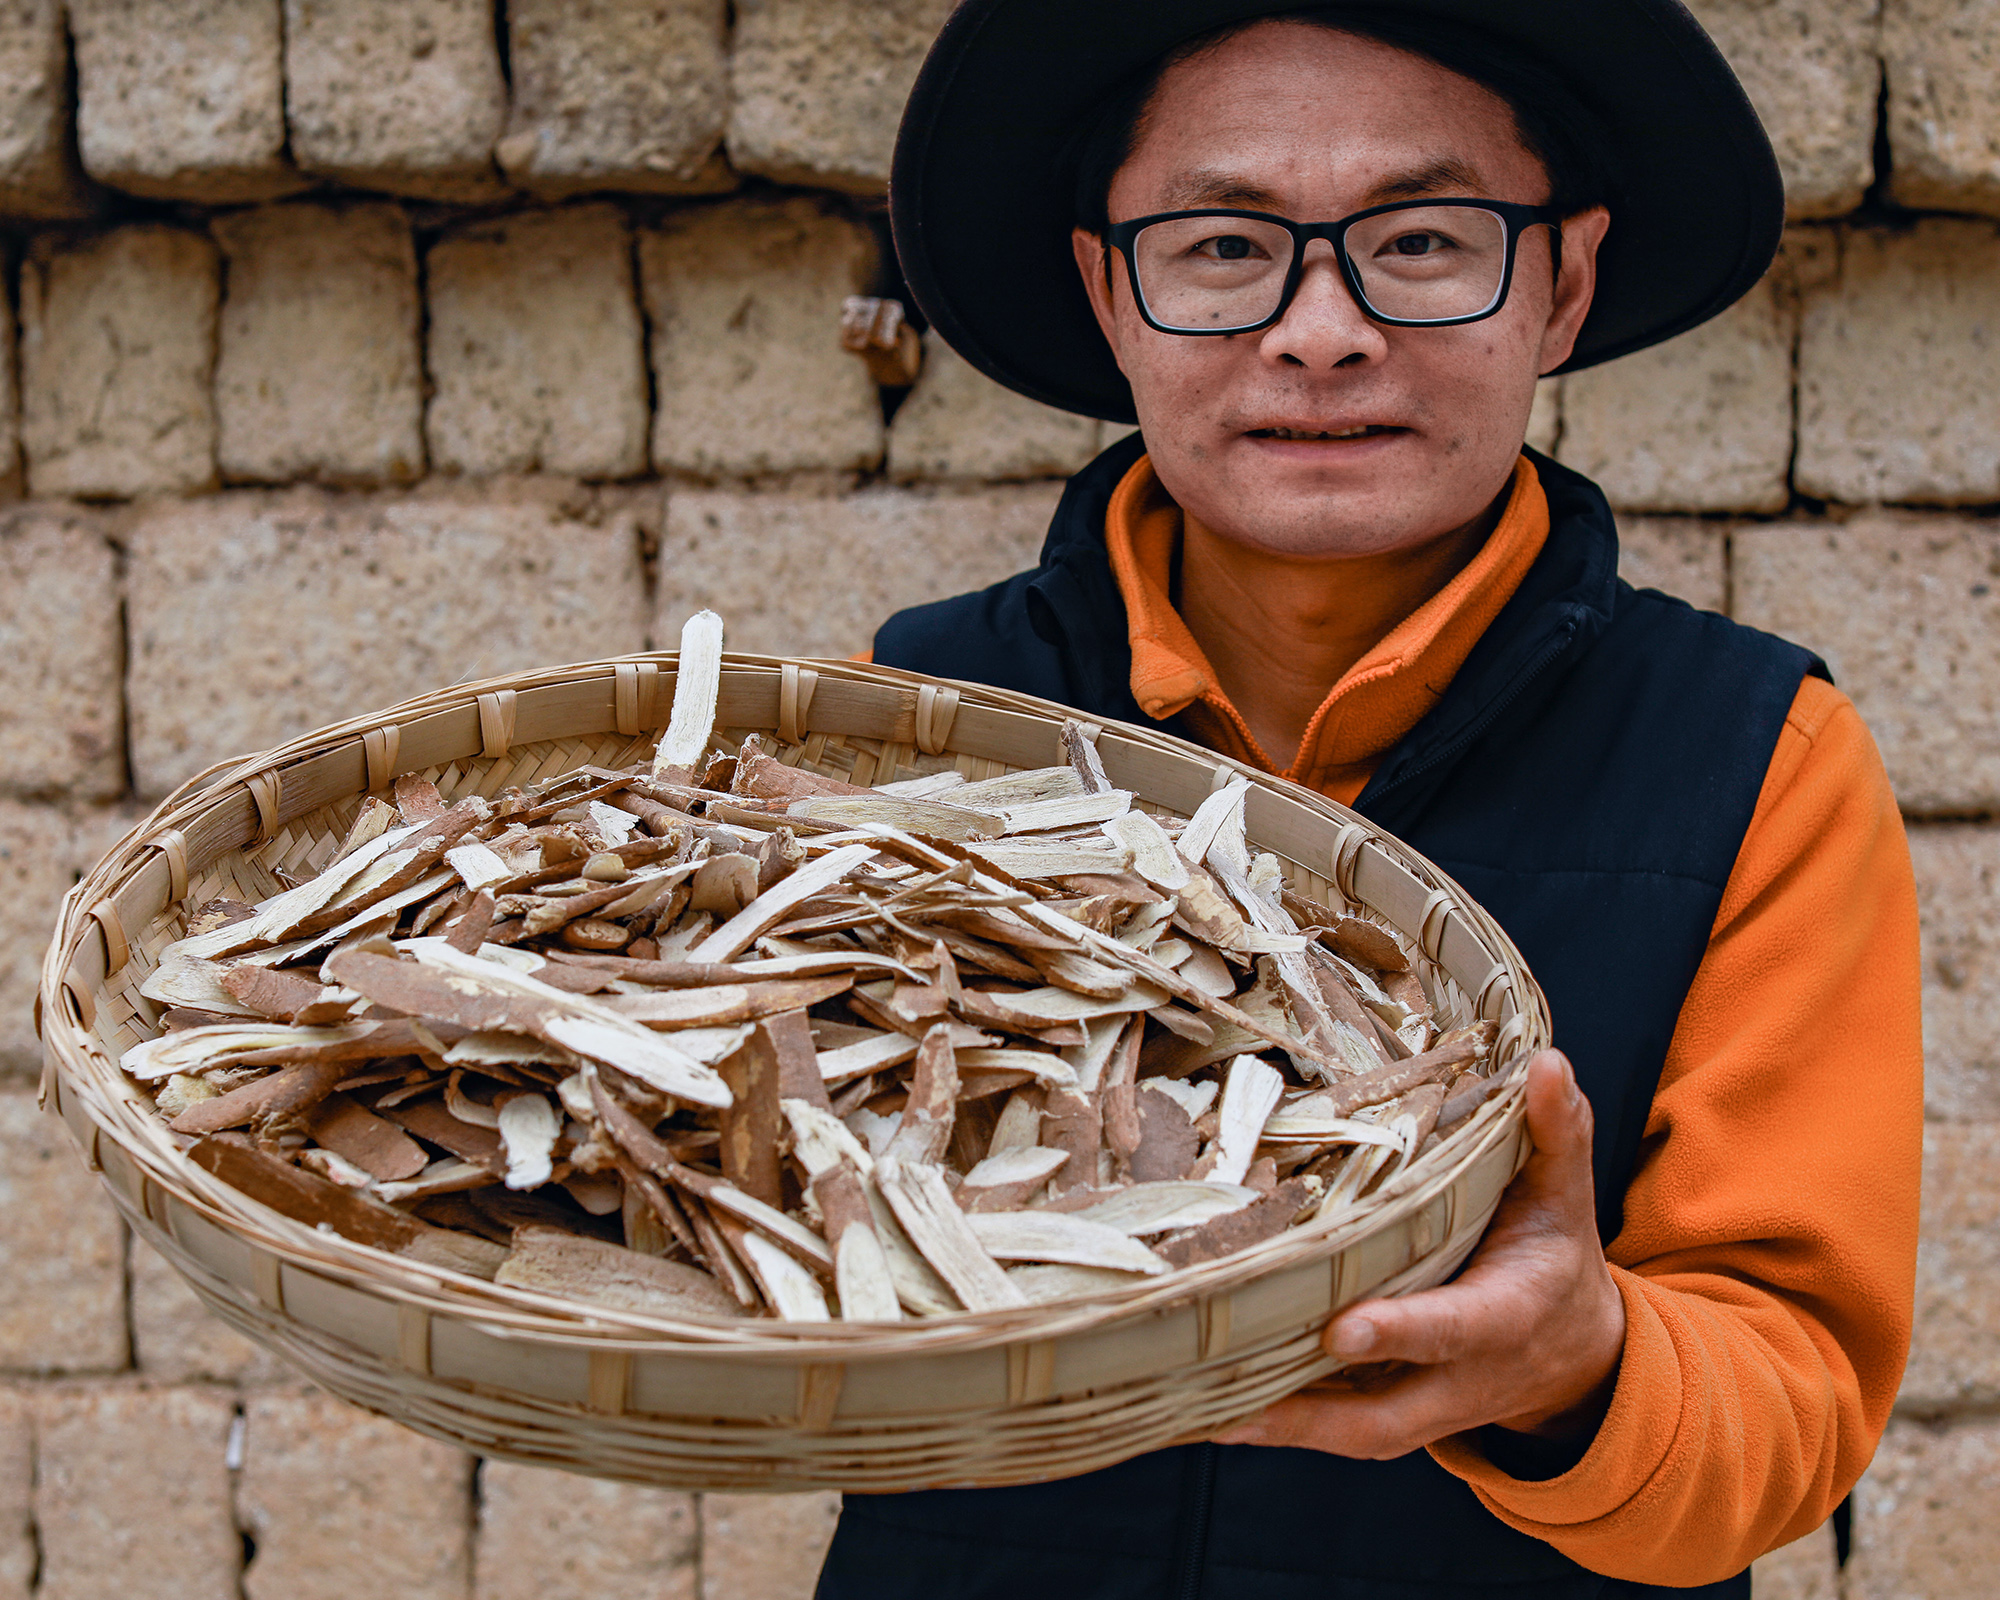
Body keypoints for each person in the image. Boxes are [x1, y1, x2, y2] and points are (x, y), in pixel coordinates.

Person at [818, 3, 1922, 1596]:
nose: (1321, 330)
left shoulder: (1758, 765)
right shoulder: (916, 721)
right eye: (1219, 246)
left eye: (1418, 239)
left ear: (1567, 282)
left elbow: (1792, 1395)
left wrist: (1581, 1366)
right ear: (1103, 292)